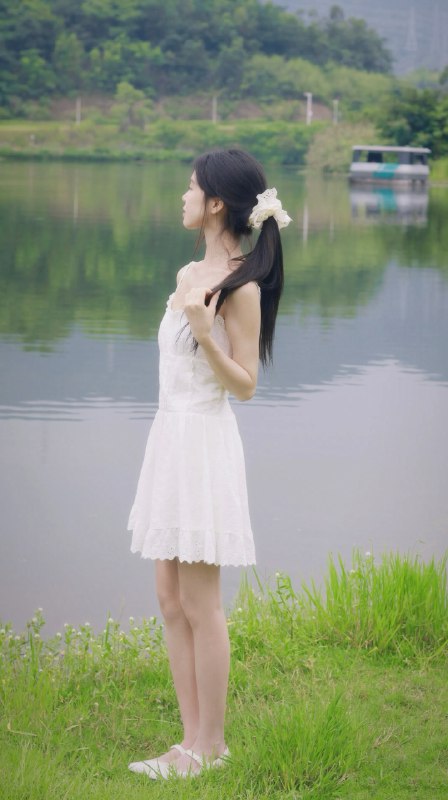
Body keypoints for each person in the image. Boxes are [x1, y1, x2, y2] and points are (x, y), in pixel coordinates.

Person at [126, 148, 291, 779]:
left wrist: (203, 330)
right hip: (169, 437)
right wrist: (193, 318)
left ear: (216, 202)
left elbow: (245, 385)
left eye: (191, 188)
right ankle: (188, 741)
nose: (184, 196)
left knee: (201, 602)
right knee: (169, 598)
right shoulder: (188, 271)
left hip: (202, 445)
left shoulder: (241, 287)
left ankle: (212, 747)